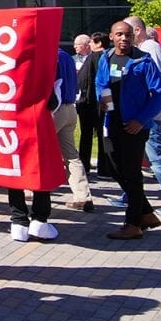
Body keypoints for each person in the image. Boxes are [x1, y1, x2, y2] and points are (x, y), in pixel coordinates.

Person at [96, 20, 161, 239]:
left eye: (128, 35)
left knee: (132, 173)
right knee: (114, 168)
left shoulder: (143, 60)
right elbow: (101, 83)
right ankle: (146, 213)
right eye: (119, 34)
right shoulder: (106, 57)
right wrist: (103, 100)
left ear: (134, 37)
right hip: (111, 122)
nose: (124, 38)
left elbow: (160, 93)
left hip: (134, 126)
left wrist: (141, 120)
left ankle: (133, 224)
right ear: (111, 36)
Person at [124, 16, 161, 203]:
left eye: (128, 32)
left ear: (138, 30)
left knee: (157, 158)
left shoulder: (150, 49)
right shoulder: (146, 49)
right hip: (148, 113)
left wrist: (144, 113)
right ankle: (131, 195)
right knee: (137, 155)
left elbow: (154, 84)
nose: (125, 37)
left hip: (153, 114)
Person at [54, 45, 94, 211]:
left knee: (37, 149)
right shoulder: (67, 57)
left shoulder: (50, 56)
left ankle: (31, 189)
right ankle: (83, 195)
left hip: (56, 109)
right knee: (71, 155)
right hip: (70, 107)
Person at [77, 31, 110, 176]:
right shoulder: (110, 56)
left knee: (86, 135)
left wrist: (82, 98)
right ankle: (105, 167)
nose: (89, 44)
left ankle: (84, 164)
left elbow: (84, 80)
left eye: (91, 41)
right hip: (105, 100)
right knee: (104, 134)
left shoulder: (94, 57)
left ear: (99, 43)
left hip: (90, 102)